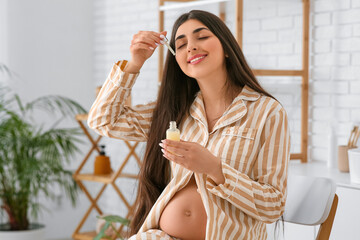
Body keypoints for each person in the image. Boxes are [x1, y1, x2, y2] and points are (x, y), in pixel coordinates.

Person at [88, 10, 290, 240]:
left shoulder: (267, 112)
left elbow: (273, 206)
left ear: (226, 48)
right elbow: (103, 121)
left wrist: (215, 169)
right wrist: (135, 62)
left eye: (202, 37)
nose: (191, 47)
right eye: (181, 44)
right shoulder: (176, 110)